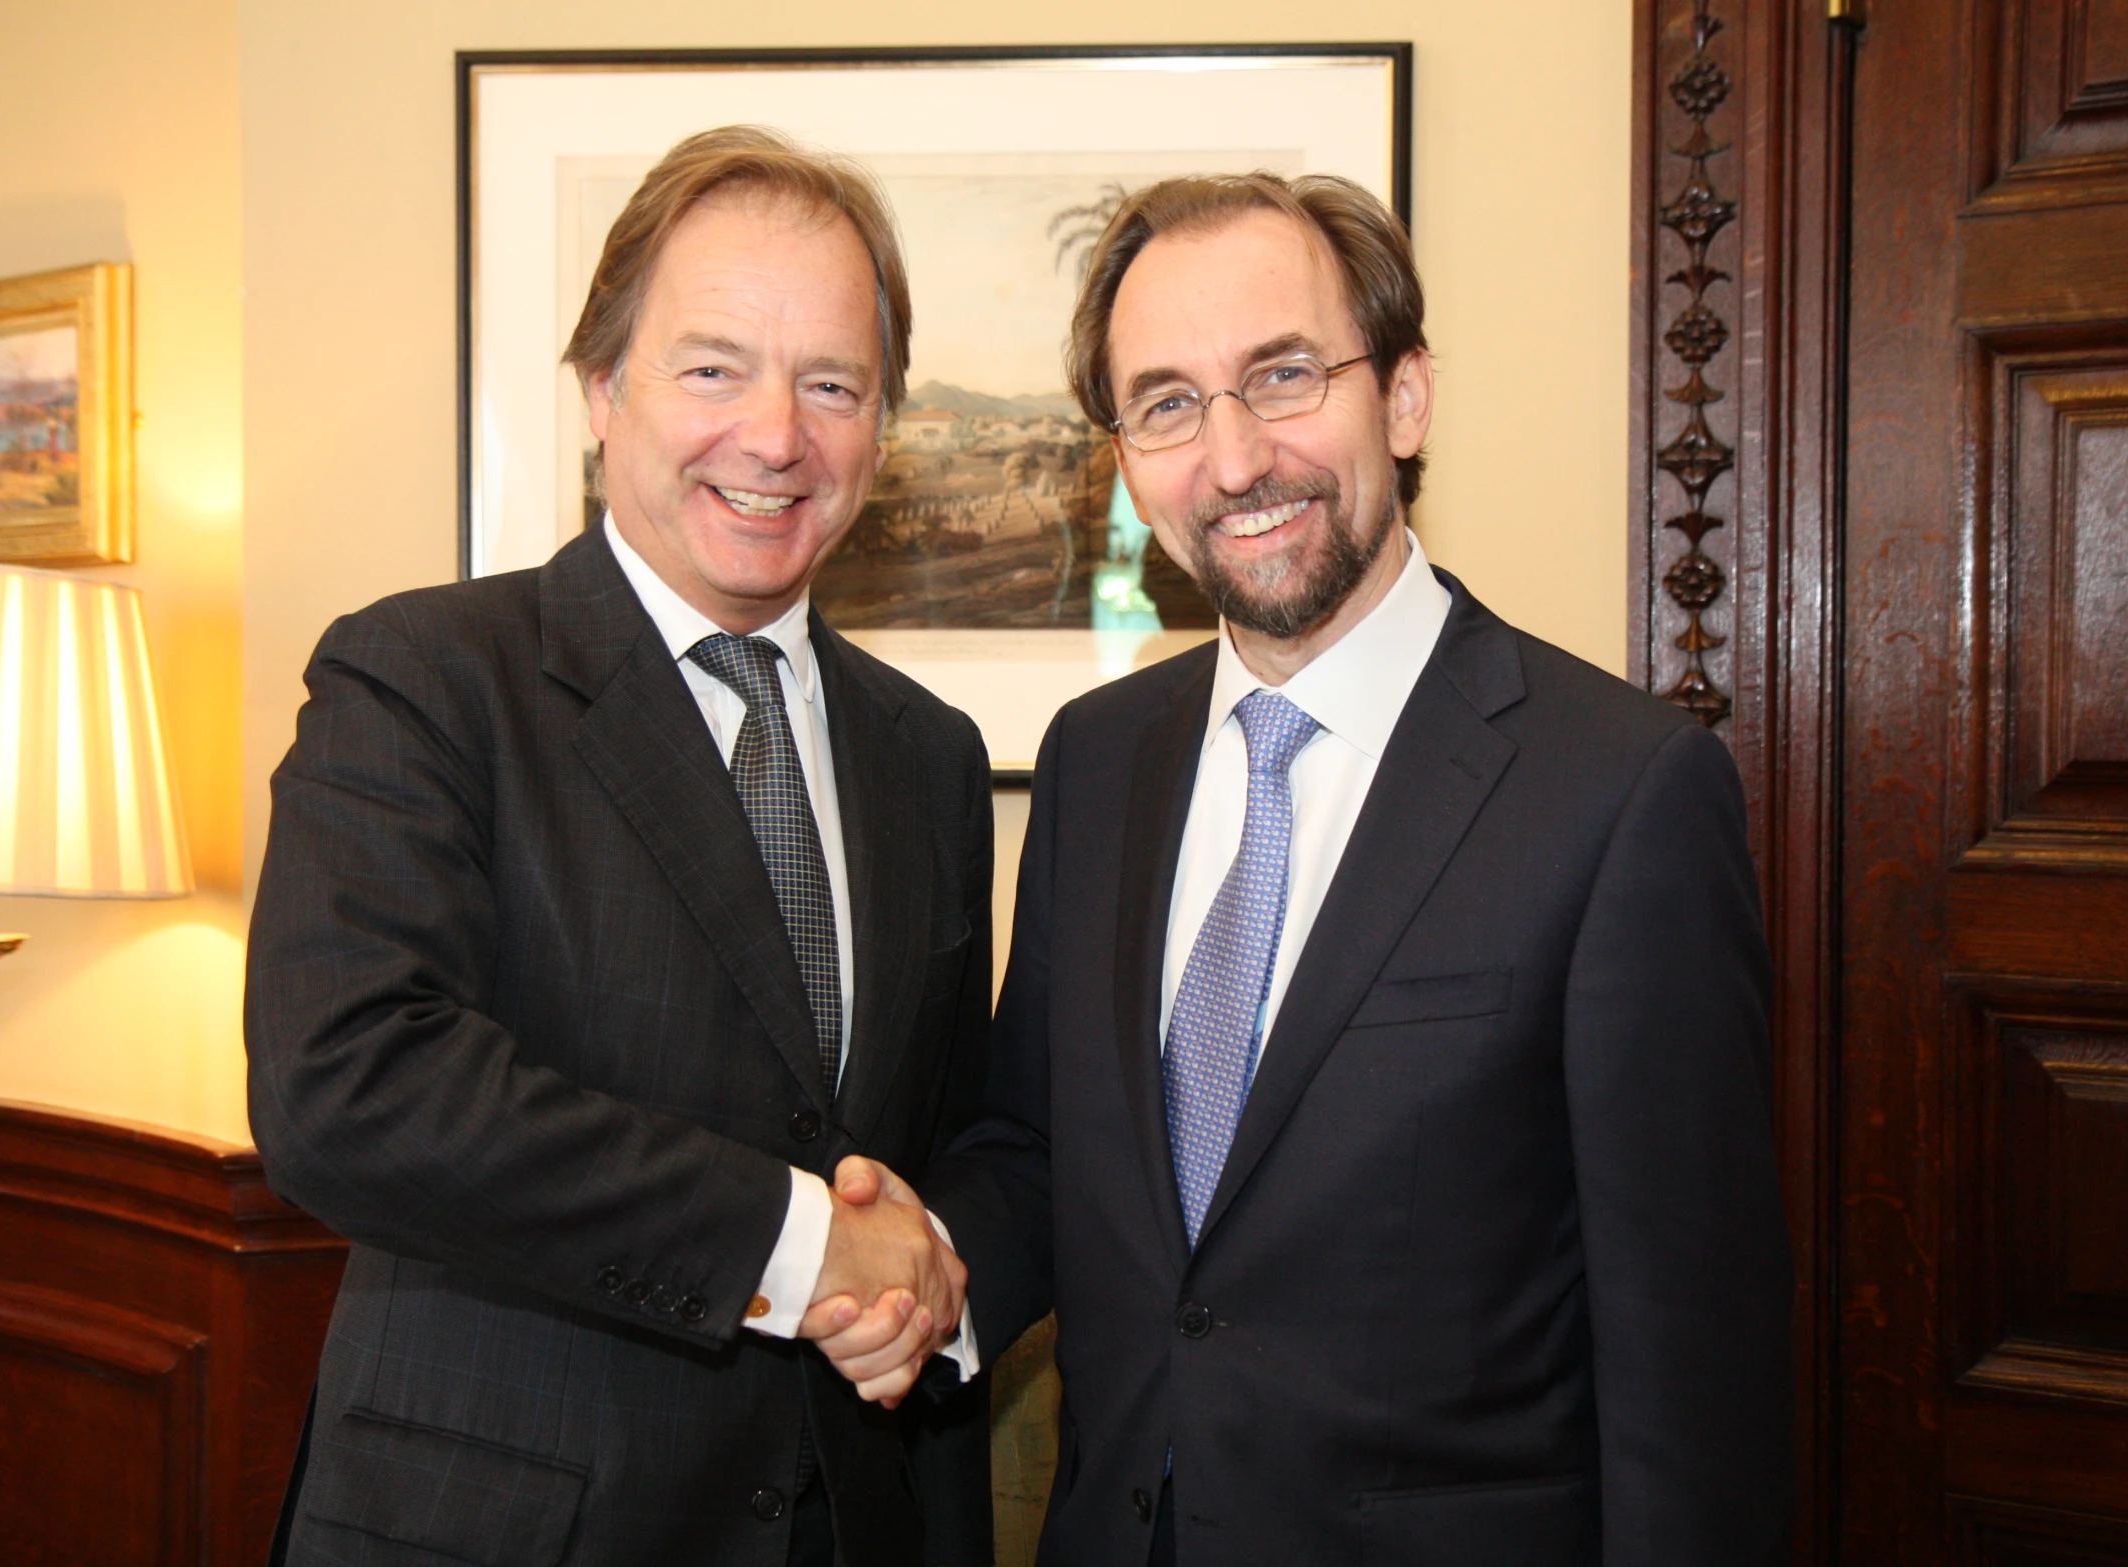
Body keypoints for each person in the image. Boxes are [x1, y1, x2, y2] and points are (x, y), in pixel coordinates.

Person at [878, 172, 1794, 1563]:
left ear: (1404, 397)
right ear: (1121, 455)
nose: (1233, 458)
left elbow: (1690, 1364)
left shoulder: (1618, 791)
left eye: (1282, 375)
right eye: (1167, 403)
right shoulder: (1095, 762)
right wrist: (915, 1278)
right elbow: (1039, 1151)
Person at [245, 126, 992, 1567]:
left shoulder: (928, 755)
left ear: (882, 428)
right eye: (711, 367)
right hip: (507, 1521)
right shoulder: (422, 675)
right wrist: (790, 1243)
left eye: (831, 384)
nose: (774, 435)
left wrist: (919, 1291)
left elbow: (937, 1145)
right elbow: (347, 1083)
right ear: (601, 389)